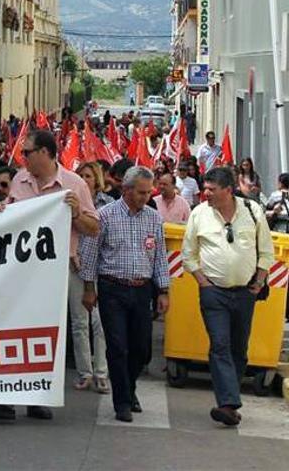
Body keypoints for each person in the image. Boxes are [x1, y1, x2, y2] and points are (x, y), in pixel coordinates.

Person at [0, 129, 99, 422]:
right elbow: (11, 218)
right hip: (23, 271)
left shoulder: (74, 184)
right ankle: (7, 398)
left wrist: (74, 214)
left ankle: (37, 397)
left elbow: (93, 228)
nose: (23, 158)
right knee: (15, 331)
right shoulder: (19, 180)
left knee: (49, 335)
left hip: (60, 270)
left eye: (27, 152)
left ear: (45, 152)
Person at [182, 167, 274, 427]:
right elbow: (188, 254)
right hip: (214, 294)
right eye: (205, 188)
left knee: (238, 349)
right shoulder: (199, 214)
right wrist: (203, 282)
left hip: (245, 293)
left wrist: (259, 280)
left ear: (227, 189)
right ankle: (227, 403)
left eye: (211, 189)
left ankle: (230, 405)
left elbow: (266, 251)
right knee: (220, 345)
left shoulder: (253, 211)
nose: (206, 193)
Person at [80, 166, 170, 423]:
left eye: (148, 192)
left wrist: (163, 291)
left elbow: (159, 257)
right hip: (112, 289)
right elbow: (89, 254)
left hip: (142, 290)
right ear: (127, 190)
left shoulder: (153, 218)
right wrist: (89, 289)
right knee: (118, 346)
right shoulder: (105, 216)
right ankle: (122, 401)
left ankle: (130, 389)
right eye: (141, 192)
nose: (145, 197)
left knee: (141, 348)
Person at [71, 162, 112, 394]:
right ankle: (84, 372)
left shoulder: (107, 205)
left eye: (88, 176)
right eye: (80, 175)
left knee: (99, 323)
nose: (84, 179)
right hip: (74, 267)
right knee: (79, 323)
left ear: (96, 180)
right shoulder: (69, 202)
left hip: (99, 270)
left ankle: (101, 373)